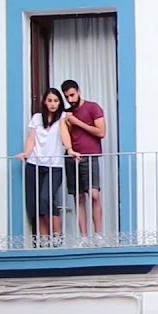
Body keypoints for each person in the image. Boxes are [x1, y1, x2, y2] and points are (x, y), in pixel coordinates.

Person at [17, 87, 76, 245]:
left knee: (46, 198)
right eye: (49, 100)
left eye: (56, 101)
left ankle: (57, 236)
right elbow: (31, 139)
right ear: (44, 102)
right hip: (34, 163)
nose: (52, 104)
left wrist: (69, 149)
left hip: (54, 165)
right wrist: (26, 153)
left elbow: (64, 134)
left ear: (59, 103)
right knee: (37, 202)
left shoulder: (62, 117)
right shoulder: (37, 118)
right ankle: (44, 238)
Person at [61, 79, 106, 238]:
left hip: (90, 156)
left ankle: (99, 235)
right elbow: (64, 136)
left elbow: (101, 132)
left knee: (94, 194)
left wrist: (77, 122)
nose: (70, 99)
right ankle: (84, 237)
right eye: (67, 97)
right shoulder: (66, 114)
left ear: (79, 91)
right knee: (78, 198)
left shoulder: (93, 107)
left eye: (72, 95)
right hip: (72, 158)